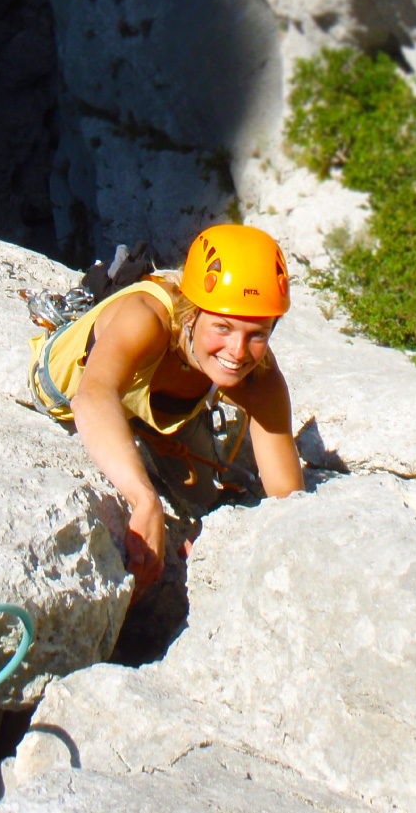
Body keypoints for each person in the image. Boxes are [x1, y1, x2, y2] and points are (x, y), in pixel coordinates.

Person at [27, 224, 304, 595]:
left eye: (257, 335)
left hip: (161, 418)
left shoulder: (260, 377)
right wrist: (144, 499)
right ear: (191, 314)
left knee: (206, 502)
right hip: (65, 389)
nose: (238, 352)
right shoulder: (147, 317)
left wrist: (230, 539)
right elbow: (92, 398)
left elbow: (289, 502)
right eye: (222, 327)